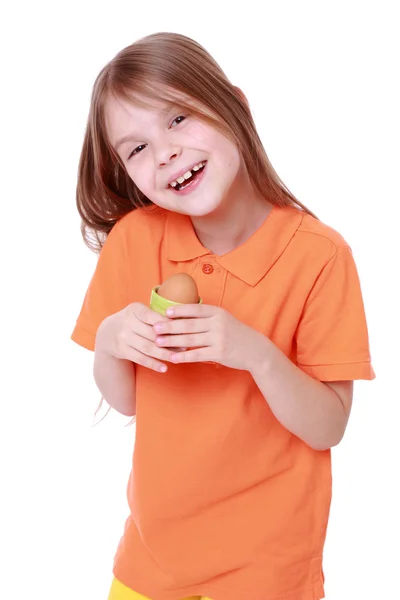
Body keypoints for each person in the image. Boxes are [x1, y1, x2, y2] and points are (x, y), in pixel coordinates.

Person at [71, 32, 375, 600]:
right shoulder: (136, 241)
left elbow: (329, 425)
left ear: (232, 103)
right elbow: (129, 399)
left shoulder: (319, 257)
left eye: (178, 118)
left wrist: (253, 352)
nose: (163, 153)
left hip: (266, 572)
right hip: (151, 561)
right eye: (135, 149)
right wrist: (111, 343)